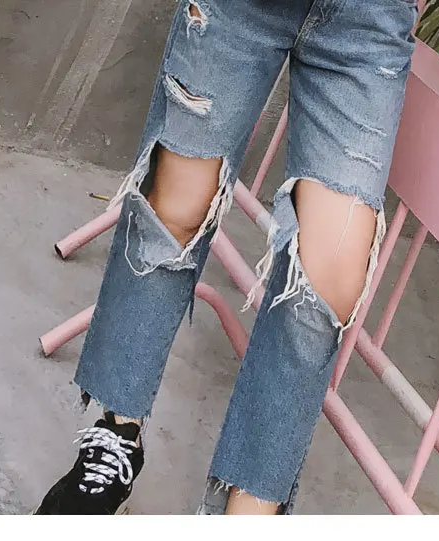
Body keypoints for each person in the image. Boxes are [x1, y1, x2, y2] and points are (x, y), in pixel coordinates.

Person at [35, 0, 418, 515]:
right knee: (174, 209)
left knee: (330, 277)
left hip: (366, 23)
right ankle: (115, 437)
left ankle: (249, 512)